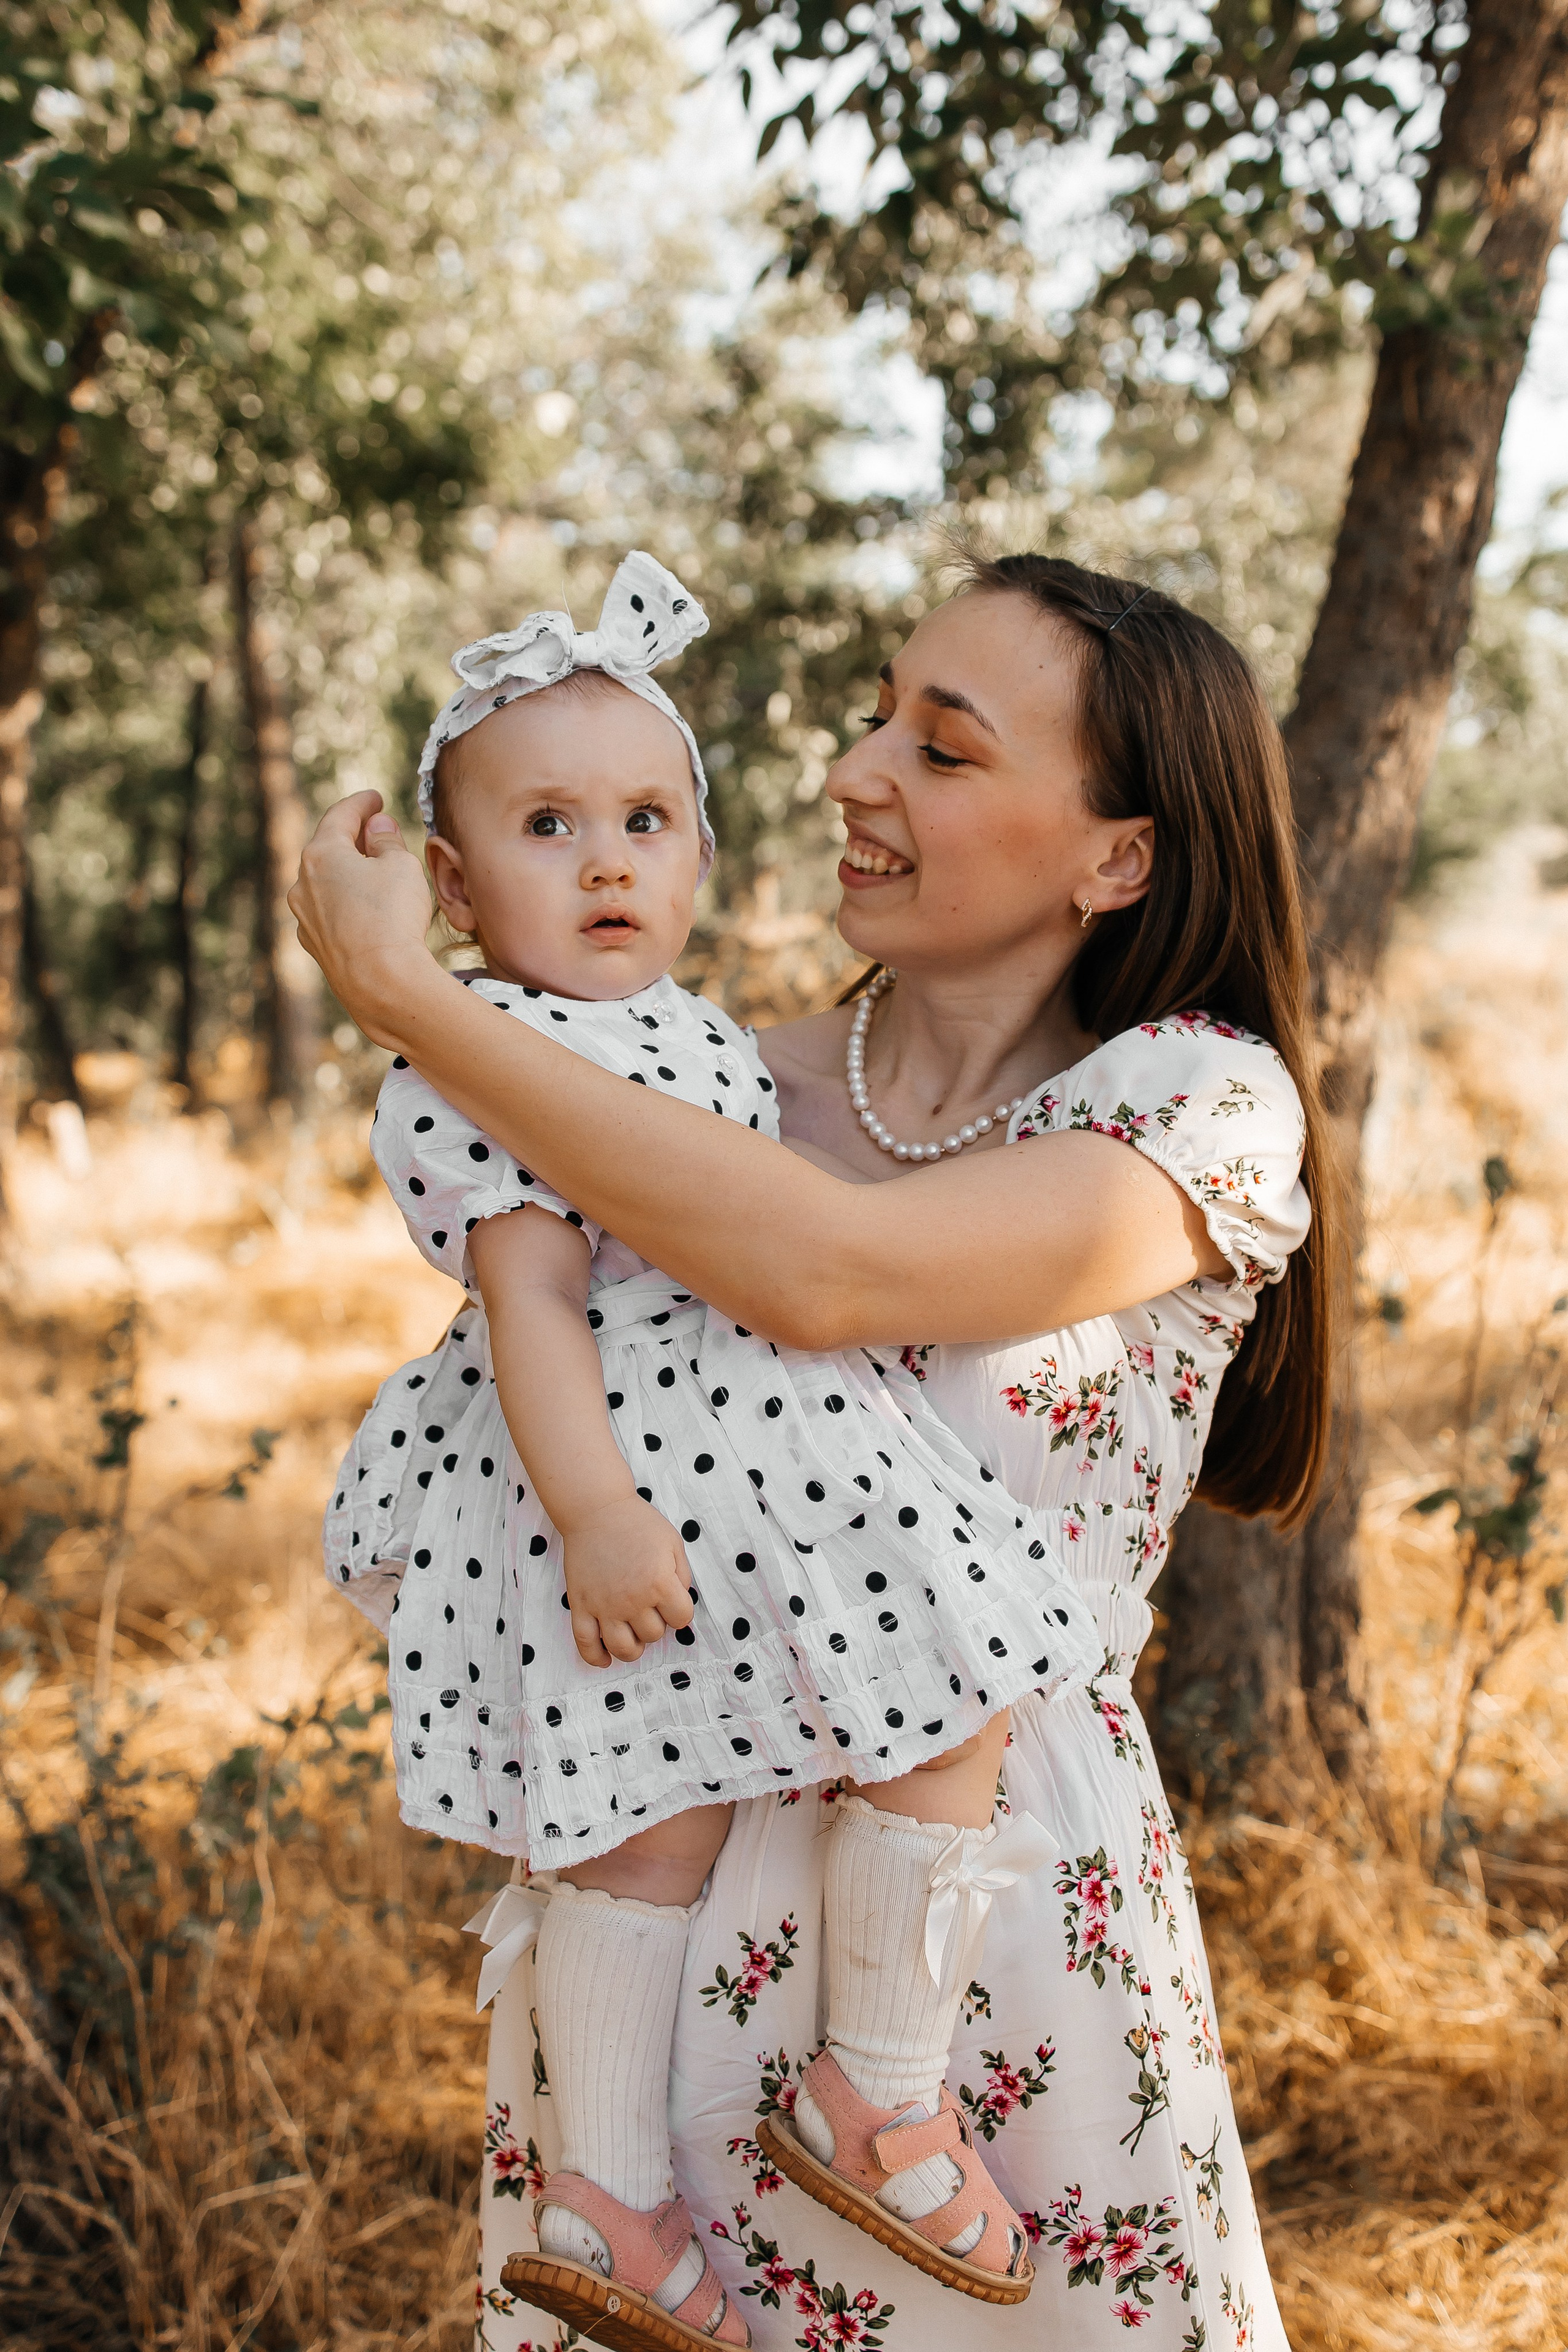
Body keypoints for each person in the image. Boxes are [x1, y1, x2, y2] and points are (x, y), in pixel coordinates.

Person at [291, 551, 1333, 2352]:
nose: (854, 771)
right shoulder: (696, 1090)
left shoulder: (1192, 1107)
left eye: (940, 749)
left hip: (986, 1927)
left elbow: (830, 1272)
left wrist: (417, 1000)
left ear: (1119, 856)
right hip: (664, 1887)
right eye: (873, 718)